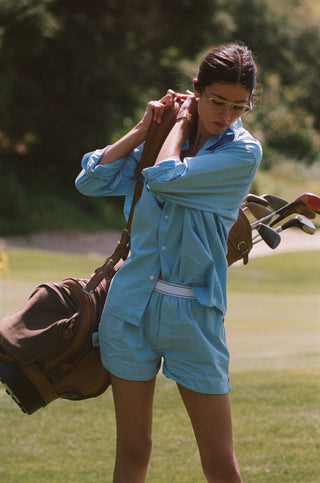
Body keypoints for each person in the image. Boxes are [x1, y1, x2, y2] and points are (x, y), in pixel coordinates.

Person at [75, 42, 262, 482]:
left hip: (193, 315)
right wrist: (145, 128)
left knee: (219, 462)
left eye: (239, 106)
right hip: (129, 307)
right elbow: (91, 179)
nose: (226, 115)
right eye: (217, 101)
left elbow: (163, 177)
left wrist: (177, 124)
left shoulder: (242, 153)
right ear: (196, 90)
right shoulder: (158, 135)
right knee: (134, 450)